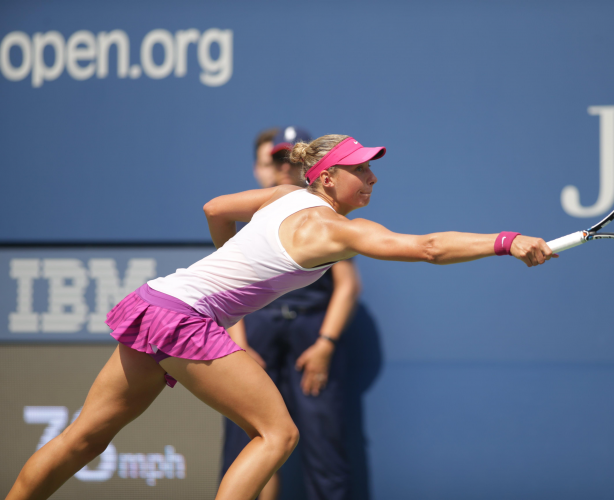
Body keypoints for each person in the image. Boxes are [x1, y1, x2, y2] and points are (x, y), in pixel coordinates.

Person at [5, 134, 555, 500]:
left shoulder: (283, 196)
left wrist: (229, 260)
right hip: (187, 319)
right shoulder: (334, 229)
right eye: (360, 169)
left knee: (85, 439)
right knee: (277, 433)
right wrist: (507, 241)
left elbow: (214, 209)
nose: (372, 178)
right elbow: (430, 248)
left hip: (154, 302)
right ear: (327, 177)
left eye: (371, 170)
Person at [221, 127, 362, 500]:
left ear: (311, 167)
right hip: (256, 329)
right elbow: (227, 282)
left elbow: (347, 284)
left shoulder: (322, 215)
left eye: (293, 159)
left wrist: (325, 344)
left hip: (310, 333)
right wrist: (238, 346)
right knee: (253, 439)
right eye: (277, 159)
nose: (286, 167)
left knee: (322, 442)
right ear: (260, 167)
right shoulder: (259, 207)